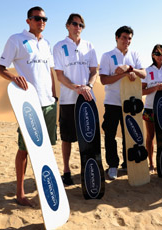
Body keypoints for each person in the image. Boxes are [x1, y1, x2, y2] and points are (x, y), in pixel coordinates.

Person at [0, 6, 57, 207]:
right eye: (37, 18)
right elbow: (0, 68)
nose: (41, 22)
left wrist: (54, 96)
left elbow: (49, 72)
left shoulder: (46, 43)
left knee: (46, 149)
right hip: (29, 104)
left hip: (49, 103)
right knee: (25, 148)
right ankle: (20, 194)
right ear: (28, 20)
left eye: (44, 19)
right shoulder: (16, 40)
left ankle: (44, 189)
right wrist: (14, 77)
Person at [53, 13, 98, 185]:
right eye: (74, 23)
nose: (78, 27)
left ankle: (88, 170)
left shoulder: (89, 46)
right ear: (67, 26)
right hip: (68, 100)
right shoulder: (59, 46)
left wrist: (89, 86)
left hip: (87, 98)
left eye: (81, 25)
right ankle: (66, 171)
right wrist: (75, 88)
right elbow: (59, 74)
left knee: (88, 137)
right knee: (67, 137)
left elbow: (94, 71)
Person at [99, 26, 146, 180]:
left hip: (131, 103)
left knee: (130, 135)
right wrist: (122, 74)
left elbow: (144, 74)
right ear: (117, 38)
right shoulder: (107, 56)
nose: (127, 41)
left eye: (129, 38)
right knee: (110, 134)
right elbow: (104, 80)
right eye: (124, 37)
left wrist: (130, 69)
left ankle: (128, 164)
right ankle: (112, 165)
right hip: (112, 102)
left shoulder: (135, 54)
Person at [142, 44, 162, 173]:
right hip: (150, 108)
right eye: (157, 53)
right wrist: (155, 88)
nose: (160, 56)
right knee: (150, 136)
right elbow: (141, 90)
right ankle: (151, 163)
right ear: (152, 55)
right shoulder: (147, 71)